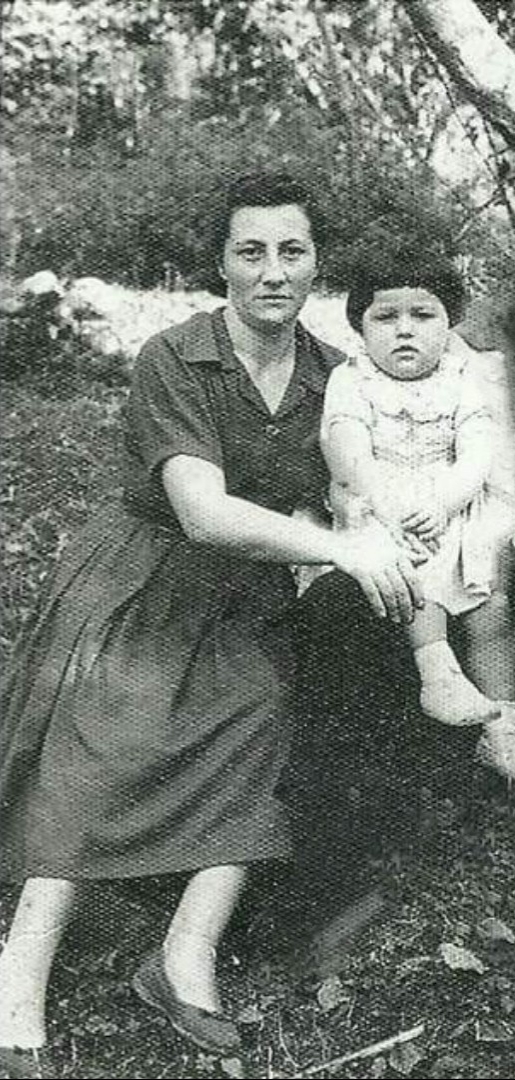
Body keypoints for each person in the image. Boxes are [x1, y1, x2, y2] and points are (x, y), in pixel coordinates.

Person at [0, 173, 423, 1079]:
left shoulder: (332, 375)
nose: (273, 272)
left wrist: (378, 522)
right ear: (220, 263)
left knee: (260, 719)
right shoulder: (175, 356)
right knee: (109, 736)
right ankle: (20, 971)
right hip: (141, 579)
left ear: (316, 264)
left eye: (291, 252)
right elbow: (201, 512)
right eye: (250, 252)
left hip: (243, 595)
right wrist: (338, 548)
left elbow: (349, 482)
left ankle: (184, 954)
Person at [320, 237, 514, 744]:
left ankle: (502, 720)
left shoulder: (461, 377)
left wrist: (444, 501)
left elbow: (477, 451)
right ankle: (437, 672)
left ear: (449, 323)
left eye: (423, 315)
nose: (405, 329)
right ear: (360, 326)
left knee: (491, 596)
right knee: (413, 567)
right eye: (386, 317)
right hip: (381, 504)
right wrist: (387, 506)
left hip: (451, 505)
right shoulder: (351, 378)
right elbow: (349, 452)